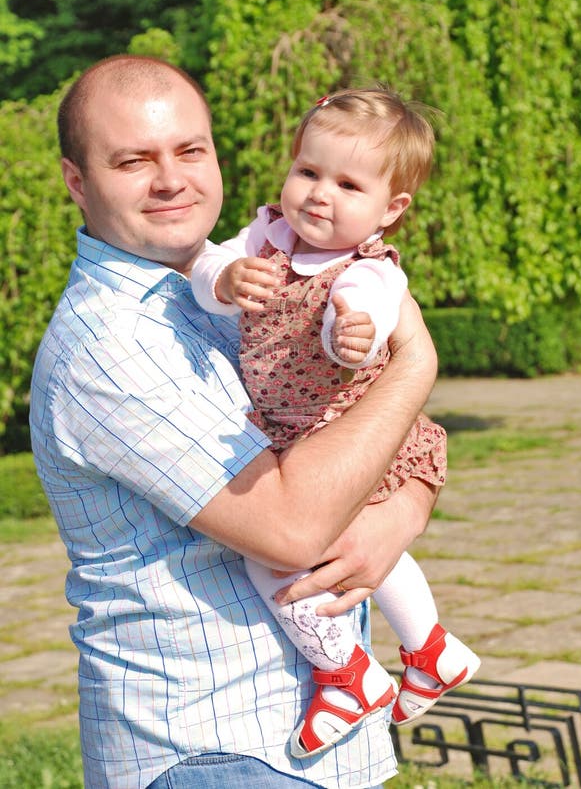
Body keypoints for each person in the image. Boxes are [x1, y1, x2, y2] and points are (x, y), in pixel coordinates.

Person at [29, 55, 442, 789]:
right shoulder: (111, 342)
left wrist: (398, 514)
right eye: (133, 160)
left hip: (294, 741)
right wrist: (416, 366)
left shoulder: (232, 290)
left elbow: (367, 433)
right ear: (76, 181)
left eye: (190, 150)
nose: (171, 179)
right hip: (219, 748)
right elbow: (290, 527)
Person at [191, 88, 480, 758]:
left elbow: (363, 310)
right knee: (372, 548)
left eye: (348, 184)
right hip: (297, 431)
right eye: (309, 172)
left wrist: (350, 334)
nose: (320, 194)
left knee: (279, 561)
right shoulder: (267, 236)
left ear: (391, 209)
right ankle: (431, 651)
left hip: (342, 434)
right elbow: (206, 262)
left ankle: (344, 673)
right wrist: (227, 278)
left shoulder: (369, 273)